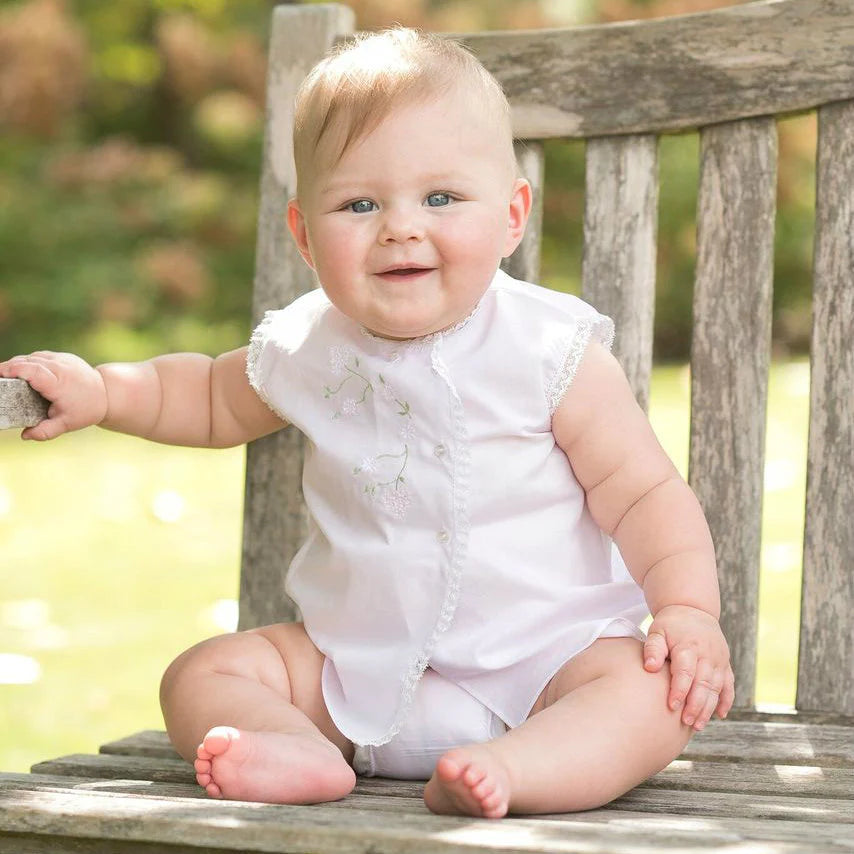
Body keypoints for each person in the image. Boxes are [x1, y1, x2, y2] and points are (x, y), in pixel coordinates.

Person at [0, 27, 734, 818]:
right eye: (359, 204)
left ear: (512, 215)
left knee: (651, 697)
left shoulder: (550, 351)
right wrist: (105, 392)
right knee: (203, 673)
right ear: (306, 237)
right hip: (355, 669)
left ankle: (515, 771)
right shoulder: (308, 343)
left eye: (441, 198)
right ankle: (300, 752)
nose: (400, 227)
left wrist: (688, 609)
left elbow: (643, 494)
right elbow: (208, 398)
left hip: (547, 667)